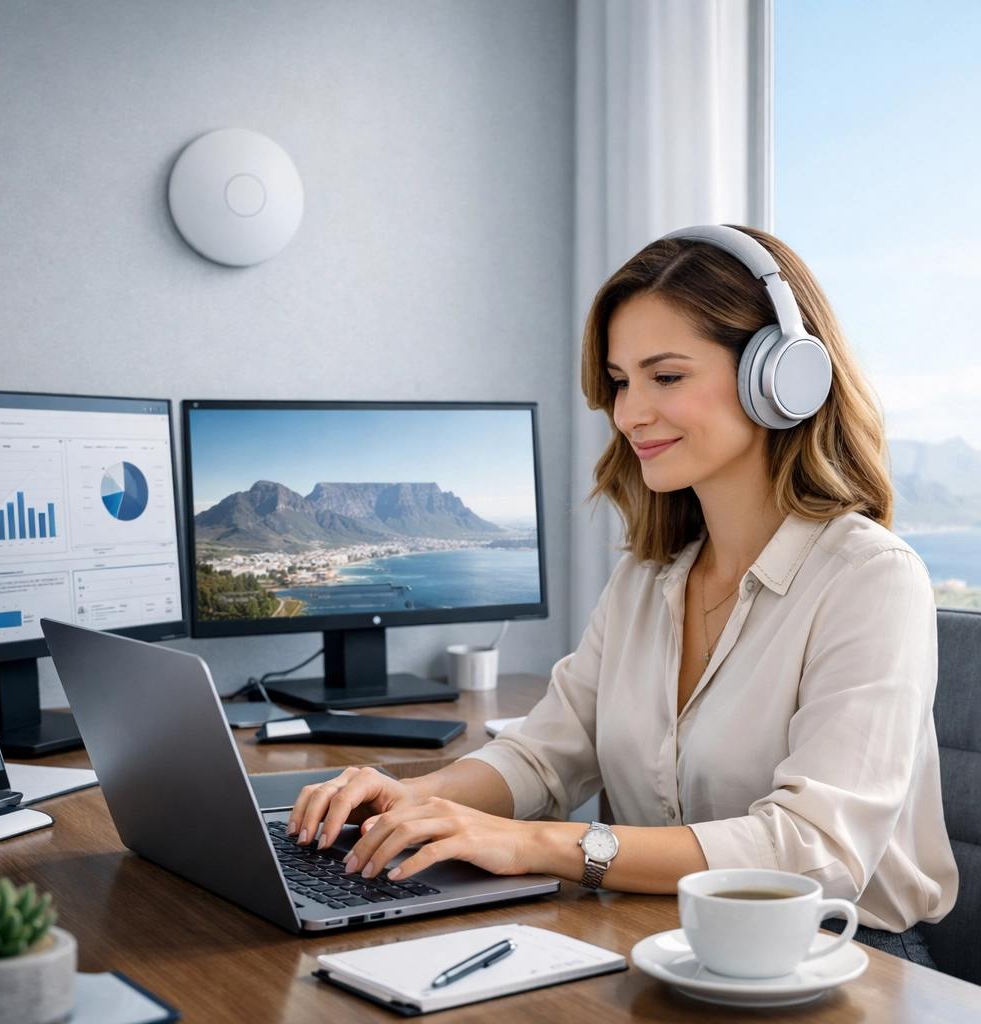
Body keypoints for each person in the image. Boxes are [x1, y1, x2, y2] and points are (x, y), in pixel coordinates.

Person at [287, 226, 957, 965]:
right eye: (620, 380)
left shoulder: (870, 578)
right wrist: (417, 796)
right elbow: (546, 757)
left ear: (780, 377)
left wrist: (539, 844)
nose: (630, 411)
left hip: (844, 962)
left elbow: (811, 850)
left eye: (665, 377)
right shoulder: (648, 578)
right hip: (662, 940)